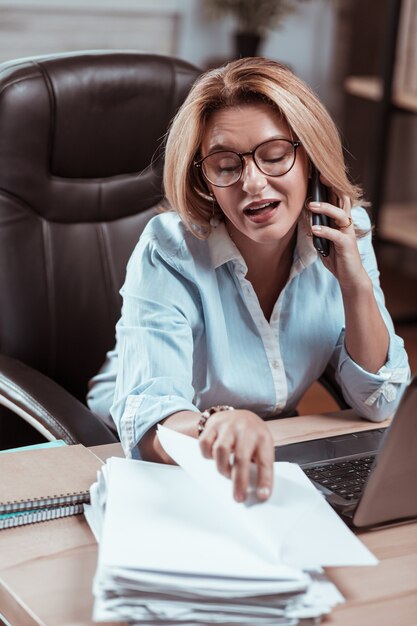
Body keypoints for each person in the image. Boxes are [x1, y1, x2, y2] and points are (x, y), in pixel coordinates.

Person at [87, 57, 410, 503]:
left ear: (311, 161)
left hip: (261, 446)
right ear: (205, 181)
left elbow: (382, 401)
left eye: (275, 156)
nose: (253, 183)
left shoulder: (344, 232)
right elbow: (148, 419)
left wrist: (354, 285)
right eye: (225, 166)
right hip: (137, 448)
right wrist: (217, 424)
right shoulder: (170, 248)